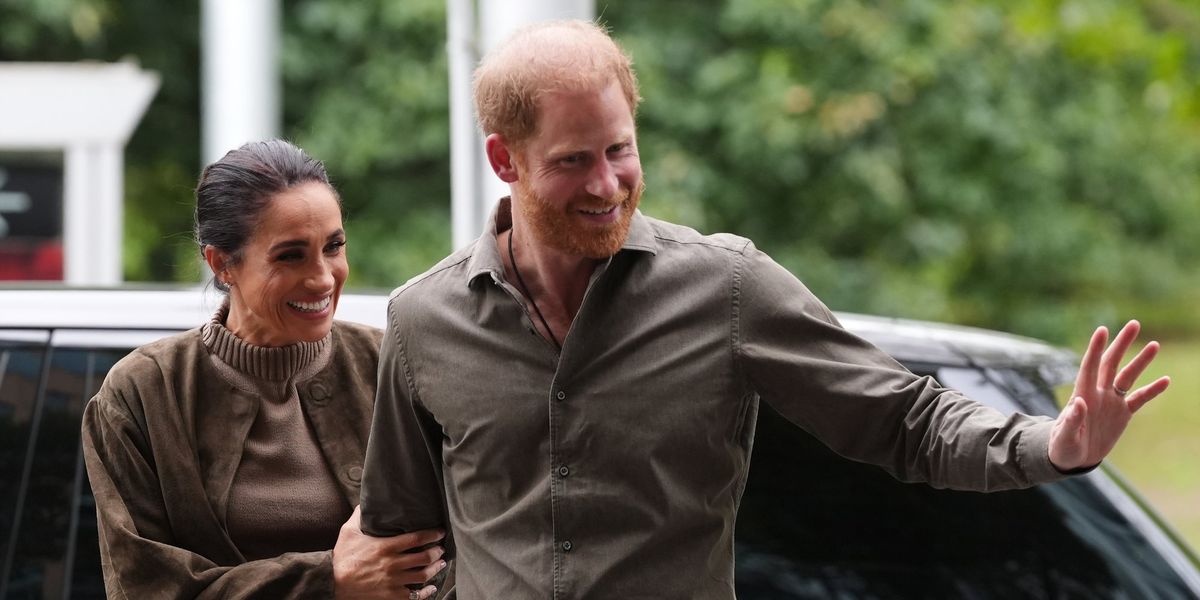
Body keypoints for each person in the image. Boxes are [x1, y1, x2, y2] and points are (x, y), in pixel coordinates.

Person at [359, 20, 1171, 599]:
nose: (608, 184)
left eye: (620, 149)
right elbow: (399, 538)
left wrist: (1052, 444)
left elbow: (903, 419)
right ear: (505, 159)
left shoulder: (726, 289)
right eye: (574, 161)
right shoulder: (426, 321)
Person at [82, 140, 450, 599]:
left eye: (334, 246)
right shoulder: (143, 393)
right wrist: (330, 580)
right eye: (290, 255)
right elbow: (147, 587)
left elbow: (456, 547)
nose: (322, 277)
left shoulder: (391, 364)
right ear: (222, 264)